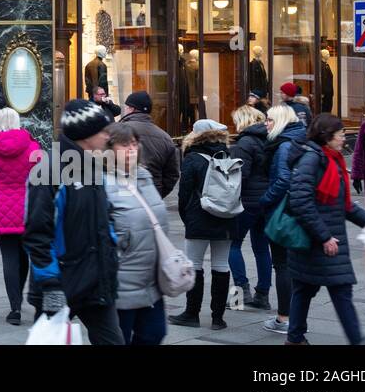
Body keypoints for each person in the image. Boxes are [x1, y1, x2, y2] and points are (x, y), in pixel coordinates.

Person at [25, 99, 122, 344]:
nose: (108, 137)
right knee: (50, 340)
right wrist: (50, 284)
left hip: (96, 283)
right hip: (57, 285)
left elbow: (104, 216)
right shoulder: (49, 171)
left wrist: (113, 248)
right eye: (103, 131)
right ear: (85, 135)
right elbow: (37, 234)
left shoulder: (93, 167)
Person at [286, 114, 365, 345]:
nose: (344, 139)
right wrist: (324, 237)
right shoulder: (312, 160)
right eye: (341, 135)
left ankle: (294, 338)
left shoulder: (330, 158)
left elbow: (343, 204)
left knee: (304, 288)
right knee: (340, 291)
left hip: (322, 239)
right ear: (327, 136)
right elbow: (300, 202)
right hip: (321, 241)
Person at [0, 105, 40, 325]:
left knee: (9, 258)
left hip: (2, 207)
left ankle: (15, 308)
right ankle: (30, 301)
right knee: (28, 257)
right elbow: (42, 179)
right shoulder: (32, 147)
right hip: (29, 208)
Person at [106, 122, 170, 344]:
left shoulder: (144, 176)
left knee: (154, 333)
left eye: (134, 143)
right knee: (118, 339)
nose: (132, 149)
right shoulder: (103, 182)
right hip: (121, 281)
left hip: (151, 278)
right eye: (124, 145)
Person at [168, 118, 235, 330]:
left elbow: (184, 193)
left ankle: (192, 313)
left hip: (199, 217)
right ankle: (218, 318)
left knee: (194, 265)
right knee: (222, 265)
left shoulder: (193, 158)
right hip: (226, 217)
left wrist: (187, 218)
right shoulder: (227, 155)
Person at [256, 104, 306, 335]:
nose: (266, 123)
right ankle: (293, 318)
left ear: (281, 122)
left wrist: (265, 200)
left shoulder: (284, 145)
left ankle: (284, 318)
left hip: (283, 211)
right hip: (297, 208)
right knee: (291, 265)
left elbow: (284, 179)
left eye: (269, 120)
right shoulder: (297, 139)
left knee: (283, 265)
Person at [227, 104, 273, 310]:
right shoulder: (271, 139)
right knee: (262, 248)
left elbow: (240, 175)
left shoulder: (244, 142)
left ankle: (239, 295)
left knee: (232, 244)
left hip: (246, 201)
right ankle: (262, 295)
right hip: (267, 200)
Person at [117, 90, 180, 198]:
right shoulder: (165, 137)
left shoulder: (117, 131)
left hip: (121, 193)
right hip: (152, 194)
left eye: (126, 107)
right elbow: (172, 175)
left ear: (132, 109)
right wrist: (158, 193)